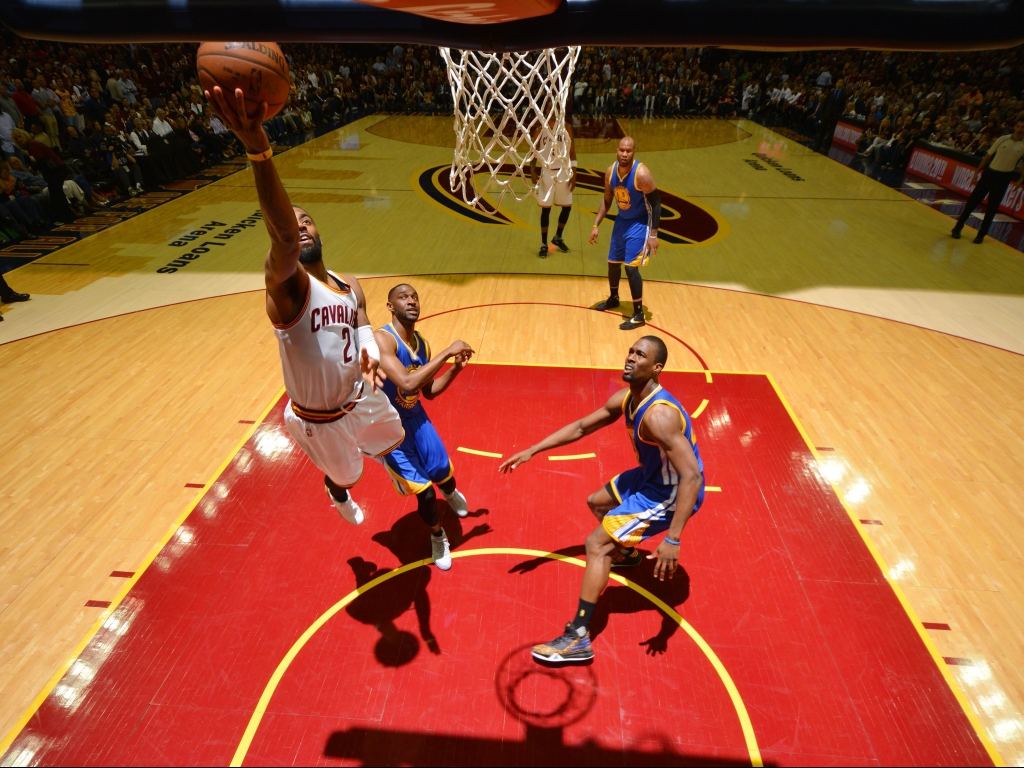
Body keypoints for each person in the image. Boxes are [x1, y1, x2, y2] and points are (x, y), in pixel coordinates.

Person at [206, 83, 405, 525]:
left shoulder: (347, 282)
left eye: (307, 221)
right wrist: (260, 152)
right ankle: (338, 492)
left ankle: (381, 458)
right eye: (291, 223)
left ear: (319, 231)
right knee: (348, 477)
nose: (299, 227)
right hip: (319, 419)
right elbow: (280, 237)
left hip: (359, 396)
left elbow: (362, 323)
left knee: (395, 434)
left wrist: (371, 355)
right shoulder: (288, 288)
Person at [499, 336, 704, 664]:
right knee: (597, 503)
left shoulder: (658, 416)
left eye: (641, 355)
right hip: (650, 476)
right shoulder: (628, 399)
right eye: (631, 351)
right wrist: (533, 449)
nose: (631, 358)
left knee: (595, 545)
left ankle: (578, 636)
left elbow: (691, 477)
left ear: (657, 368)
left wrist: (673, 538)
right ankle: (626, 552)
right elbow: (581, 427)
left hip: (670, 491)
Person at [374, 284, 474, 570]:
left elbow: (428, 391)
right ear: (390, 306)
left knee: (445, 474)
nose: (411, 301)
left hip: (417, 418)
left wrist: (455, 367)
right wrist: (447, 352)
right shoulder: (383, 340)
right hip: (390, 429)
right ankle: (437, 536)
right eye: (403, 297)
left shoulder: (423, 344)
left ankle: (451, 494)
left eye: (415, 297)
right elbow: (406, 383)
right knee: (425, 493)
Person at [590, 136, 661, 330]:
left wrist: (653, 235)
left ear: (633, 152)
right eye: (622, 150)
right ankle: (613, 298)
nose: (624, 154)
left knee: (630, 267)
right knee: (613, 262)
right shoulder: (610, 172)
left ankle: (638, 314)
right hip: (621, 221)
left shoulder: (642, 173)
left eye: (628, 151)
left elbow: (656, 204)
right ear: (617, 150)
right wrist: (596, 224)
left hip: (640, 222)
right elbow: (606, 200)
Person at [952, 118, 1024, 244]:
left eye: (1023, 127)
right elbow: (988, 156)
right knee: (972, 202)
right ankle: (957, 227)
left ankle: (981, 234)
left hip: (1004, 178)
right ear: (1015, 127)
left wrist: (1021, 179)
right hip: (990, 174)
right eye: (1018, 126)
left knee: (992, 208)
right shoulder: (1003, 139)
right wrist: (976, 172)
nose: (1020, 129)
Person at [530, 116, 576, 259]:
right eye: (549, 108)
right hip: (547, 173)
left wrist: (574, 173)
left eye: (554, 107)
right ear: (545, 111)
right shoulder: (539, 129)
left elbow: (572, 153)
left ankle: (558, 236)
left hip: (563, 171)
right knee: (546, 210)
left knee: (567, 207)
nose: (552, 111)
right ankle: (544, 244)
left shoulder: (566, 128)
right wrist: (532, 169)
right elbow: (533, 152)